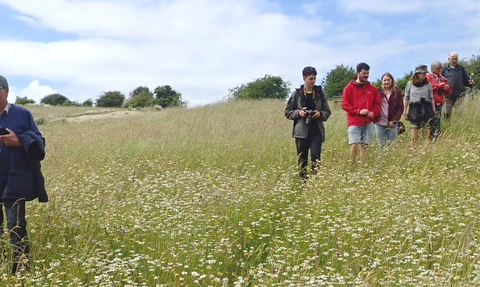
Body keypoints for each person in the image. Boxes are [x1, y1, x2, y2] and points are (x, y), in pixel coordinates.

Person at [0, 75, 47, 274]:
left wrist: (18, 142)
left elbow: (39, 144)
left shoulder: (22, 114)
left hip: (14, 180)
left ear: (6, 91)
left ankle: (20, 270)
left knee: (16, 227)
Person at [285, 66, 331, 179]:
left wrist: (319, 114)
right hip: (301, 132)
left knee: (316, 157)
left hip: (316, 131)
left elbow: (327, 112)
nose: (313, 81)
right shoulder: (296, 94)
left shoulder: (320, 94)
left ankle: (315, 181)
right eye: (311, 78)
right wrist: (299, 113)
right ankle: (303, 183)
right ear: (304, 78)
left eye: (315, 78)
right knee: (302, 160)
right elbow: (287, 112)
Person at [341, 62, 381, 164]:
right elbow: (345, 104)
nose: (366, 75)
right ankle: (352, 164)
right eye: (364, 73)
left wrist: (374, 113)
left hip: (368, 122)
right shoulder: (349, 87)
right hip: (354, 121)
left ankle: (363, 165)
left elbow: (377, 103)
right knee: (354, 145)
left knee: (365, 146)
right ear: (357, 73)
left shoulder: (372, 89)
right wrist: (358, 111)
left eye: (367, 73)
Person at [403, 65, 435, 145]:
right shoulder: (410, 84)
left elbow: (431, 98)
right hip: (414, 110)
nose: (424, 74)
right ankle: (413, 152)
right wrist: (405, 111)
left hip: (426, 109)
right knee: (414, 137)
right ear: (417, 73)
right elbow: (406, 98)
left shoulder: (428, 84)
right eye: (422, 72)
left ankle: (426, 151)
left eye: (425, 72)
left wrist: (433, 111)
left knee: (426, 136)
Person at [374, 72, 404, 149]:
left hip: (392, 123)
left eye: (388, 80)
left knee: (391, 144)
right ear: (382, 81)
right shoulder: (378, 92)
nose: (386, 82)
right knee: (381, 145)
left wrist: (394, 120)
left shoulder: (397, 92)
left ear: (392, 80)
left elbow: (400, 108)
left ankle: (391, 160)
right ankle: (381, 160)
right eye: (385, 80)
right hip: (379, 122)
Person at [441, 52, 475, 119]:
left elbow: (466, 80)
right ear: (449, 59)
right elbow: (440, 80)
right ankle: (447, 127)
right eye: (453, 59)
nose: (454, 61)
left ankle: (458, 128)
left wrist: (470, 83)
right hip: (448, 95)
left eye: (456, 59)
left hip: (459, 95)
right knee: (446, 113)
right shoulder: (444, 69)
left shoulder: (461, 69)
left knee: (460, 113)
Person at [427, 61, 451, 140]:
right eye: (437, 68)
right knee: (430, 120)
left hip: (439, 101)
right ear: (432, 68)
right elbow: (427, 87)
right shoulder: (429, 76)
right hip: (430, 102)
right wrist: (437, 85)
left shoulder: (443, 78)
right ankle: (430, 137)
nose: (439, 70)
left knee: (437, 120)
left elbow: (447, 92)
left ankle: (436, 137)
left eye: (440, 68)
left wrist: (447, 88)